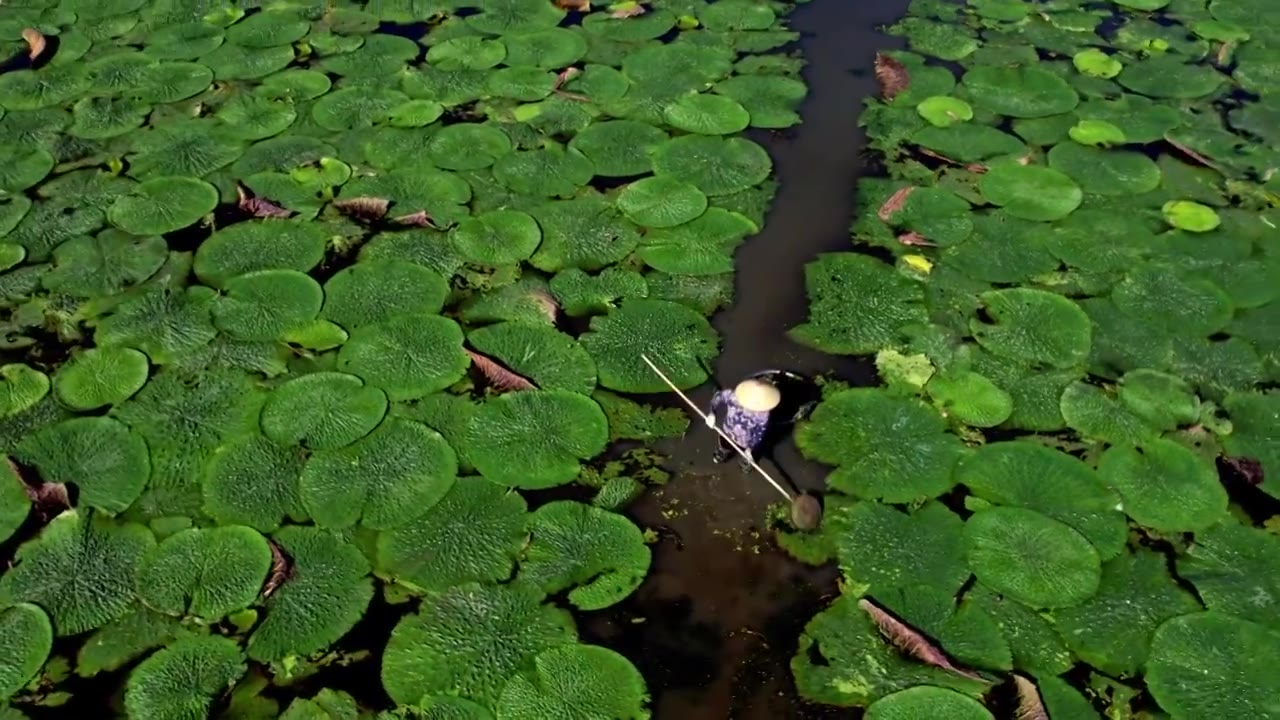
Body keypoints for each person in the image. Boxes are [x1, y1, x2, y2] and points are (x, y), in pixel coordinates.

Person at [705, 370, 818, 469]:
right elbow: (718, 396)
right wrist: (711, 413)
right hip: (727, 432)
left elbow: (759, 436)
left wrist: (751, 450)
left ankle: (747, 460)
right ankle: (724, 450)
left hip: (746, 440)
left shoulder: (763, 415)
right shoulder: (734, 397)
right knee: (725, 444)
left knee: (756, 450)